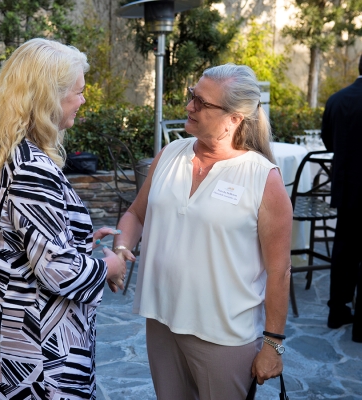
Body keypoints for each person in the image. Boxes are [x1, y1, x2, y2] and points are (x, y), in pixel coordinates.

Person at [112, 64, 292, 399]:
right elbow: (136, 214)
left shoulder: (262, 178)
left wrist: (273, 345)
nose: (189, 106)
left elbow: (280, 271)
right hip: (162, 320)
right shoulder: (169, 155)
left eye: (202, 102)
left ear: (234, 118)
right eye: (192, 95)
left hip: (223, 335)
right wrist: (122, 250)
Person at [0, 38, 127, 400]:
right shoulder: (31, 168)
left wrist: (78, 238)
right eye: (78, 92)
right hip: (37, 350)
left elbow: (11, 243)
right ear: (47, 98)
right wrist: (109, 264)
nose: (83, 100)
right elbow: (59, 272)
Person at [321, 55, 362, 342]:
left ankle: (337, 311)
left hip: (346, 186)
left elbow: (327, 141)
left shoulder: (337, 99)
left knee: (344, 248)